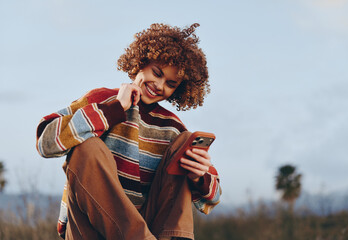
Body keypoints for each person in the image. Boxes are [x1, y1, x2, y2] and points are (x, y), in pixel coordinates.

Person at [36, 23, 221, 240]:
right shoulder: (102, 99)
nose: (159, 85)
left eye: (170, 83)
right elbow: (45, 142)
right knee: (87, 146)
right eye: (157, 73)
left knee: (185, 143)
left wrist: (200, 175)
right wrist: (114, 108)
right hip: (89, 229)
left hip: (149, 227)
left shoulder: (172, 128)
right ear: (141, 62)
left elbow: (213, 198)